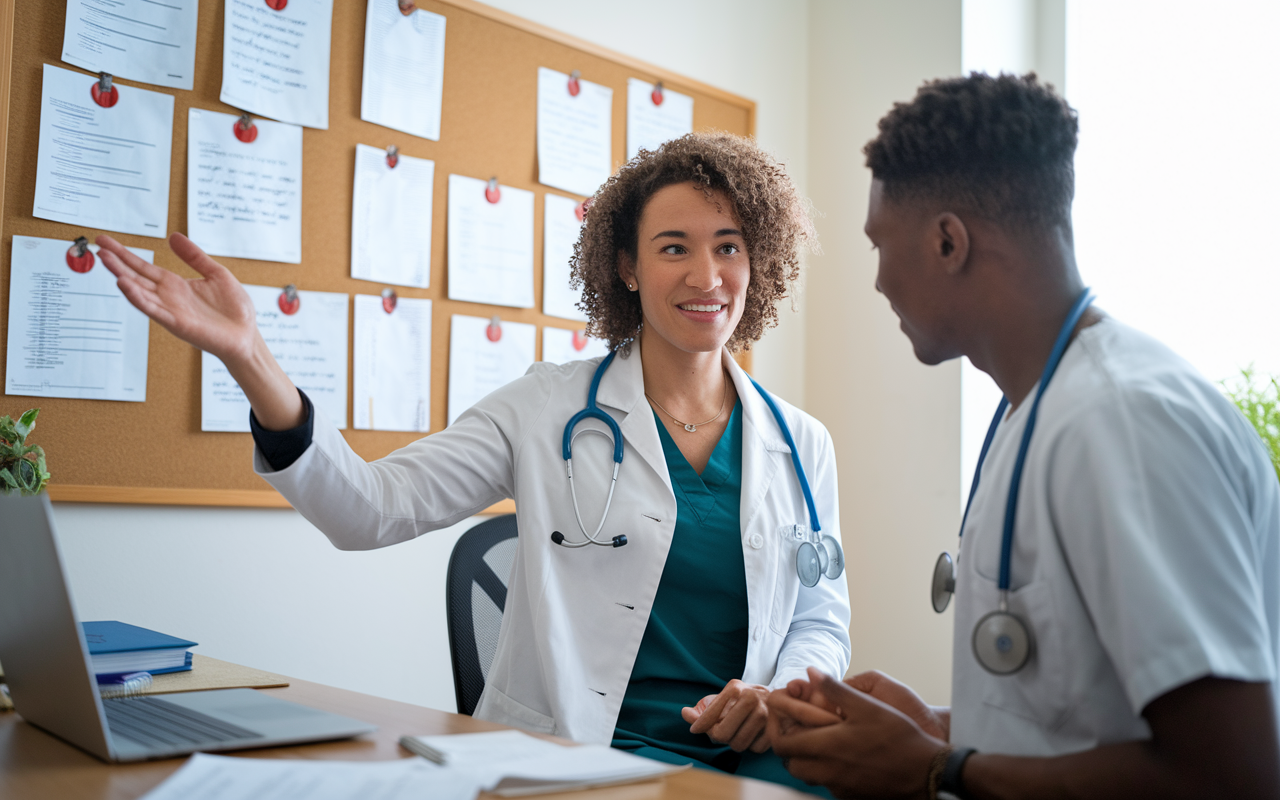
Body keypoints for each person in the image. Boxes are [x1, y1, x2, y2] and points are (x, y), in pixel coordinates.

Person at [98, 132, 850, 794]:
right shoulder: (545, 408)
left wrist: (776, 694)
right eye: (674, 247)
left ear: (760, 260)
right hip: (589, 753)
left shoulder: (800, 440)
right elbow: (369, 508)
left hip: (755, 755)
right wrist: (250, 357)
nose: (705, 275)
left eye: (728, 245)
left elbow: (821, 623)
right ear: (626, 266)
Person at [765, 73, 1280, 799]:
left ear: (949, 241)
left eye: (881, 245)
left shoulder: (1122, 424)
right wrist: (936, 727)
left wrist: (932, 767)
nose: (879, 282)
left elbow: (1233, 775)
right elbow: (1083, 721)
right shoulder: (1034, 410)